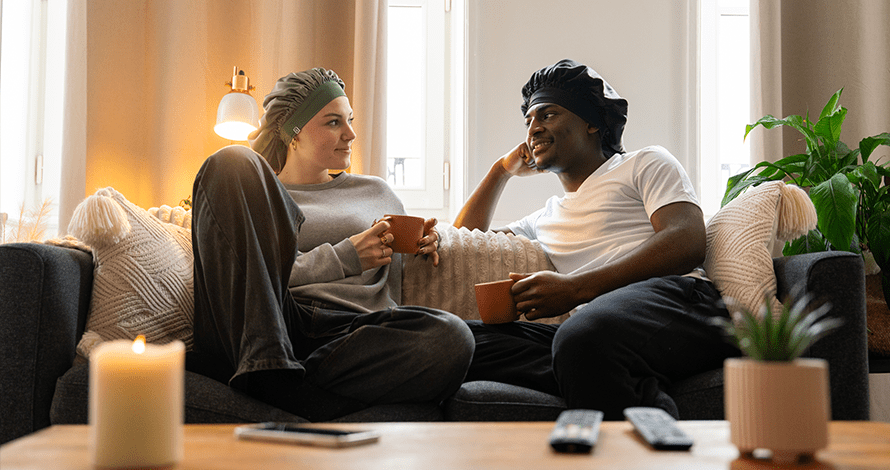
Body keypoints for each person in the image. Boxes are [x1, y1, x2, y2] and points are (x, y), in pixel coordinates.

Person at [453, 59, 738, 420]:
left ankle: (600, 378)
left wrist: (575, 289)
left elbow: (686, 239)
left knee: (581, 338)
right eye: (528, 121)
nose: (533, 129)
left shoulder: (644, 163)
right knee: (456, 340)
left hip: (680, 302)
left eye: (548, 115)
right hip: (597, 332)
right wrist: (500, 171)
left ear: (591, 123)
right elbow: (461, 240)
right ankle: (615, 379)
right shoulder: (545, 217)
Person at [188, 68, 474, 421]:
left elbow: (392, 288)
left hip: (352, 338)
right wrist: (347, 256)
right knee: (231, 159)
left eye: (350, 120)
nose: (350, 134)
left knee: (450, 336)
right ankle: (271, 366)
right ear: (293, 135)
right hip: (279, 319)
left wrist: (426, 243)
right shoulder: (257, 191)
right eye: (333, 122)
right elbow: (251, 278)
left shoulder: (376, 191)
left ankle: (286, 396)